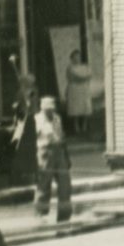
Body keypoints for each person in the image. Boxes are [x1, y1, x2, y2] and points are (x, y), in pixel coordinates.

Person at [33, 95, 72, 223]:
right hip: (45, 152)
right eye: (48, 109)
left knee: (65, 184)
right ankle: (41, 214)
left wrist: (67, 156)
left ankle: (64, 215)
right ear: (42, 108)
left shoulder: (57, 118)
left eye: (52, 109)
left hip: (59, 151)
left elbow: (62, 137)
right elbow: (33, 139)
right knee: (43, 185)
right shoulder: (37, 119)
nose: (50, 111)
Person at [10, 73, 40, 184]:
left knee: (33, 147)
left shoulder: (33, 91)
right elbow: (15, 106)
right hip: (24, 121)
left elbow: (34, 105)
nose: (31, 84)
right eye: (29, 82)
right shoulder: (20, 93)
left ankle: (34, 173)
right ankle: (25, 173)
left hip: (32, 119)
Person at [65, 49, 93, 137]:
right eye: (75, 57)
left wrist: (84, 78)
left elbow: (89, 75)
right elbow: (74, 77)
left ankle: (84, 126)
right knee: (75, 108)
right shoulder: (70, 68)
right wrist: (83, 78)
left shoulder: (85, 67)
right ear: (72, 58)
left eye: (78, 56)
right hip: (74, 89)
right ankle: (76, 127)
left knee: (85, 107)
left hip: (83, 89)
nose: (77, 58)